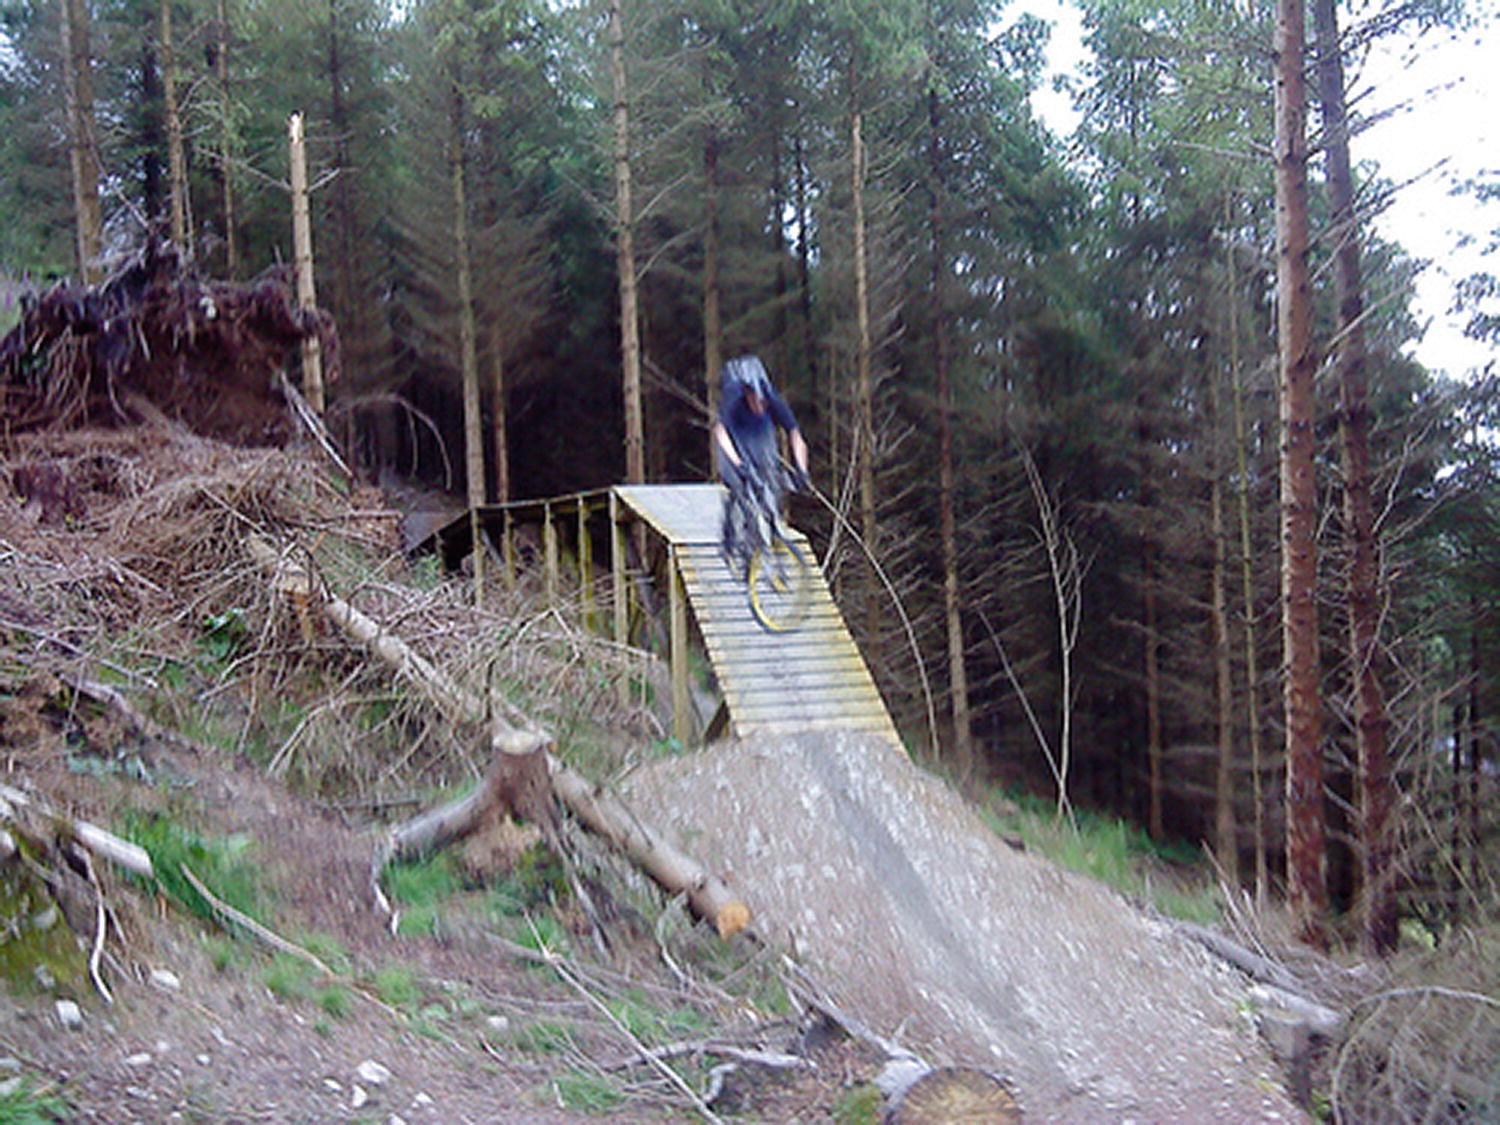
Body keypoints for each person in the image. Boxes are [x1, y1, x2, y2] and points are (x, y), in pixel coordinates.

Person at [712, 355, 810, 566]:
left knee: (769, 475)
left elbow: (795, 434)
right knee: (737, 481)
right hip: (734, 439)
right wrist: (737, 464)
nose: (759, 405)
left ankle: (772, 525)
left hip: (759, 435)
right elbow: (720, 432)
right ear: (746, 393)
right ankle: (730, 535)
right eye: (754, 400)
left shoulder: (772, 399)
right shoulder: (733, 398)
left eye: (762, 401)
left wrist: (802, 470)